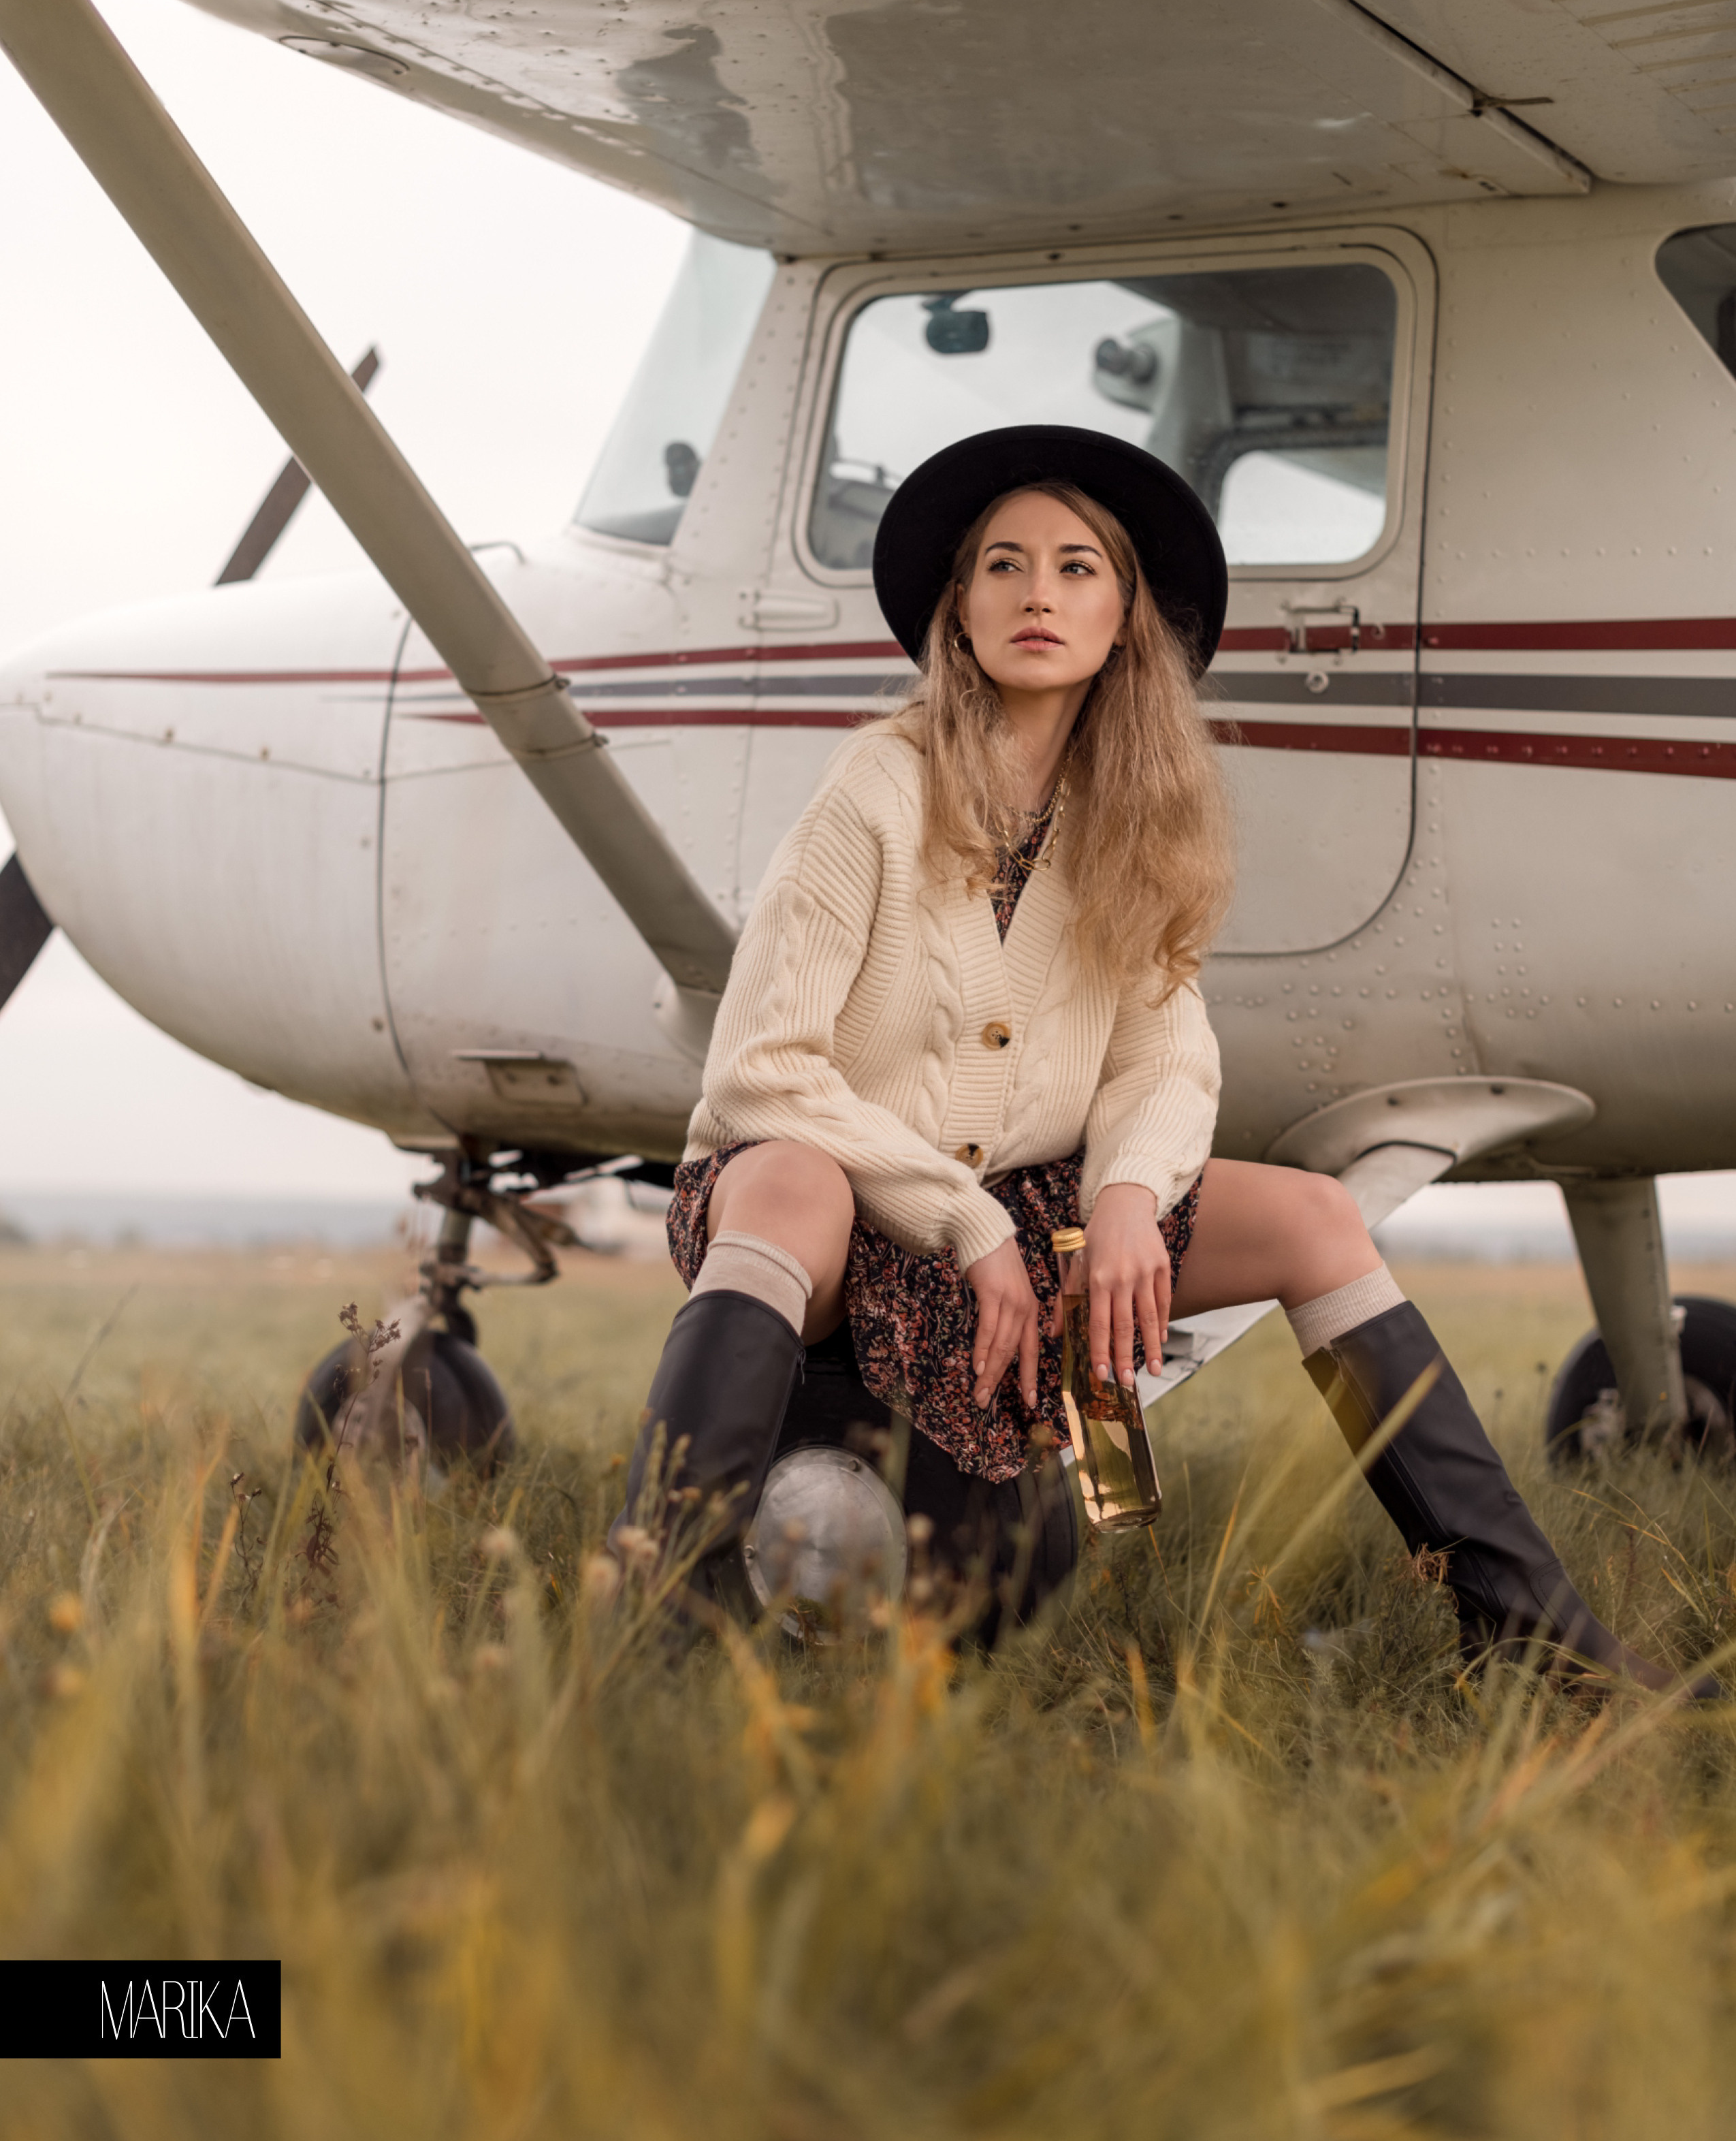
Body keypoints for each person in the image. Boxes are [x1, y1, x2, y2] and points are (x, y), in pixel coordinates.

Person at [614, 423, 1704, 1692]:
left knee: (1313, 1219)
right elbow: (756, 1072)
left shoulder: (1140, 817)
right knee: (791, 1175)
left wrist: (1128, 1196)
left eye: (1078, 568)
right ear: (956, 611)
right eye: (1004, 566)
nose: (1038, 594)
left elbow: (1164, 1065)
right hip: (829, 1209)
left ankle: (1524, 1633)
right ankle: (663, 1625)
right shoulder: (872, 789)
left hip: (1033, 1215)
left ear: (1125, 616)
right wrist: (964, 1223)